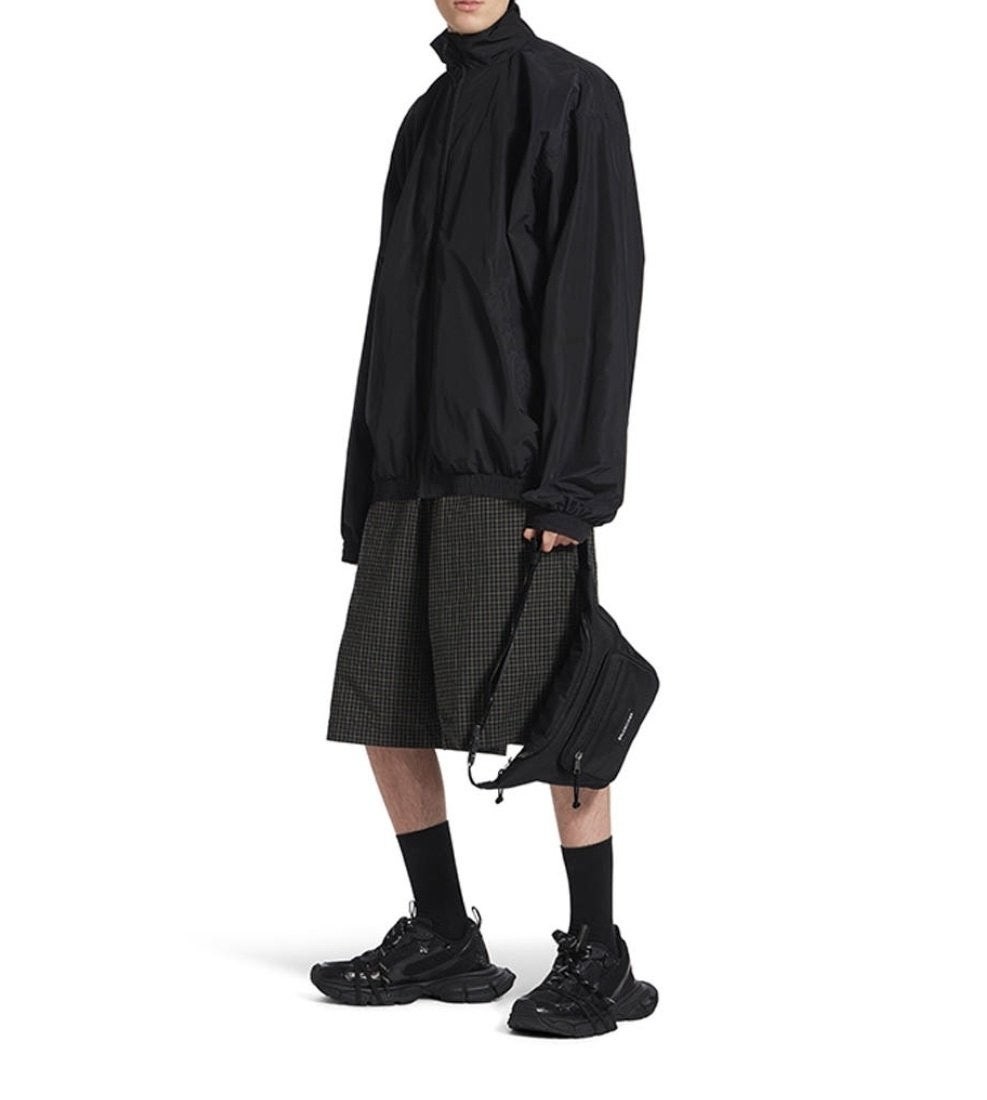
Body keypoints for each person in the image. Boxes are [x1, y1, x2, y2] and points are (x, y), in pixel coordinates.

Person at [312, 0, 655, 1038]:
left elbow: (597, 295)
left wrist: (575, 488)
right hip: (406, 469)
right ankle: (442, 932)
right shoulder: (424, 117)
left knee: (560, 707)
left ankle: (598, 951)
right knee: (380, 699)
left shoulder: (572, 95)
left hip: (514, 473)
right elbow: (390, 312)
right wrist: (365, 482)